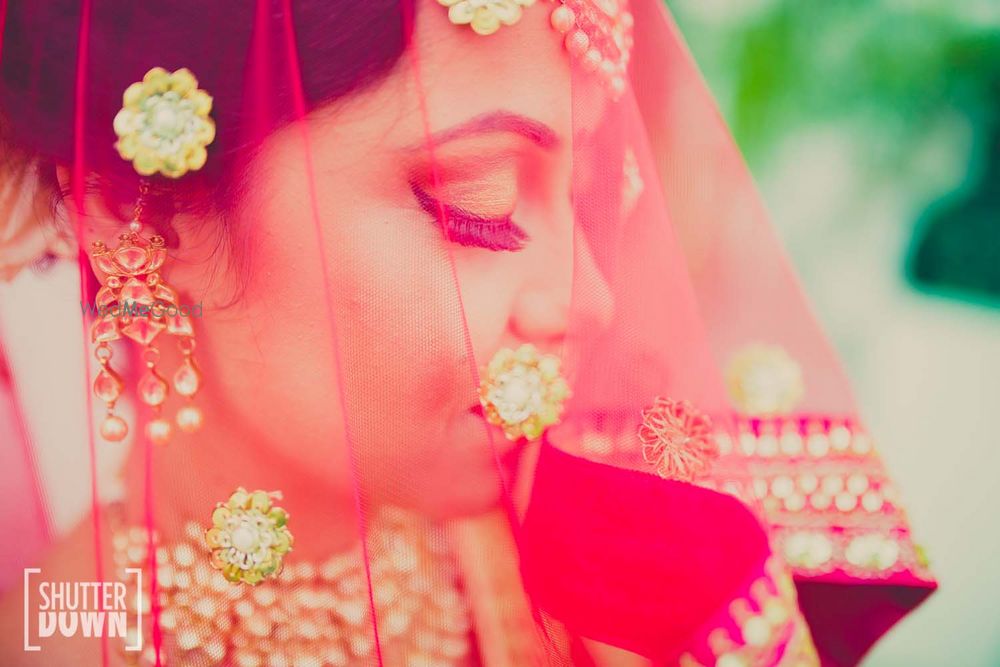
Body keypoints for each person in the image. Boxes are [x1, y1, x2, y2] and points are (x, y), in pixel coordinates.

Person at [0, 1, 935, 665]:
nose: (591, 300)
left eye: (587, 201)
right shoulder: (58, 628)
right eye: (474, 205)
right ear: (147, 219)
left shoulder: (572, 573)